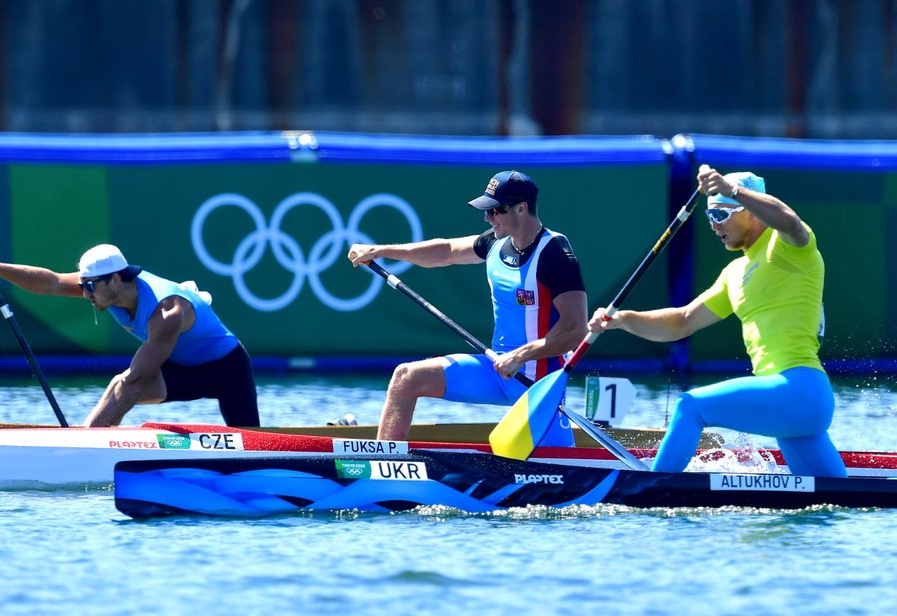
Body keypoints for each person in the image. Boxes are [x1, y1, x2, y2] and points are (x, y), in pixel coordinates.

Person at [588, 167, 847, 477]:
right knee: (840, 501)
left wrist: (733, 189)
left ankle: (651, 490)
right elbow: (681, 322)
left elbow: (788, 220)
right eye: (709, 216)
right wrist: (623, 320)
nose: (713, 225)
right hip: (794, 406)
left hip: (798, 389)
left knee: (690, 407)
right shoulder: (734, 274)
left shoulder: (789, 247)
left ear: (751, 212)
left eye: (721, 215)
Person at [348, 170, 588, 441]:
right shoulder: (495, 242)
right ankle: (385, 468)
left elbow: (576, 329)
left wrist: (520, 356)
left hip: (537, 384)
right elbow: (445, 251)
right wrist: (380, 250)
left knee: (559, 473)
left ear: (521, 208)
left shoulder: (555, 254)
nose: (487, 217)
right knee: (405, 377)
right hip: (495, 370)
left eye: (495, 211)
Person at [0, 244, 260, 428]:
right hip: (181, 365)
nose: (85, 293)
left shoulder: (168, 311)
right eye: (83, 285)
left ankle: (86, 447)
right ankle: (92, 445)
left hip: (226, 370)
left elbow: (135, 378)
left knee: (126, 384)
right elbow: (51, 283)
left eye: (90, 286)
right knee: (120, 387)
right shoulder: (104, 289)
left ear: (116, 279)